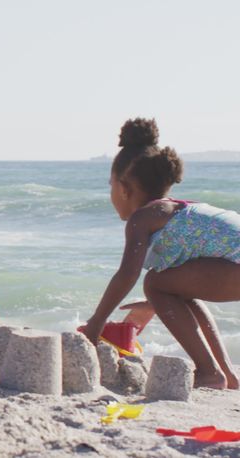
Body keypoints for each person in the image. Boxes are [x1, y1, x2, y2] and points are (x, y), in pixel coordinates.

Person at [82, 117, 240, 389]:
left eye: (110, 186)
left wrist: (96, 323)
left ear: (124, 188)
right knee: (167, 285)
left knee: (154, 282)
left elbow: (127, 274)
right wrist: (156, 302)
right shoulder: (173, 211)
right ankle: (226, 375)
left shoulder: (144, 217)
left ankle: (209, 372)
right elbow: (193, 278)